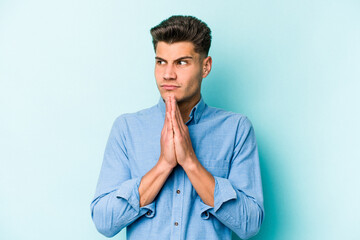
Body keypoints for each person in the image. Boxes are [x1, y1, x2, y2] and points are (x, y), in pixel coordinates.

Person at [90, 15, 264, 240]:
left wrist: (190, 162)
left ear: (205, 66)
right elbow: (105, 223)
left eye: (182, 62)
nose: (168, 74)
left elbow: (250, 224)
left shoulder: (236, 129)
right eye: (161, 61)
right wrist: (164, 165)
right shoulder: (127, 129)